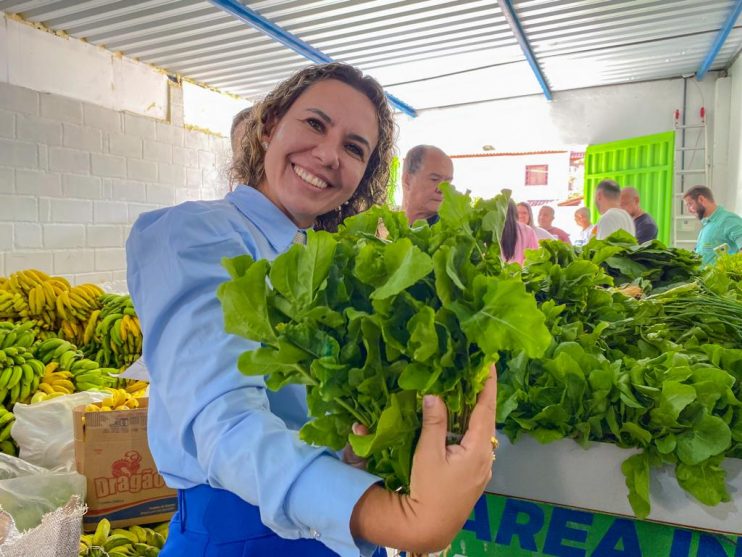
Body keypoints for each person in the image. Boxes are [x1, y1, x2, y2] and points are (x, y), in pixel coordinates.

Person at [126, 63, 498, 557]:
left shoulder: (322, 258)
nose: (328, 155)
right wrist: (406, 521)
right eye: (315, 124)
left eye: (353, 148)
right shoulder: (197, 234)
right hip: (240, 537)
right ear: (268, 127)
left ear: (365, 175)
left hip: (331, 526)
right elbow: (226, 425)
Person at [682, 185, 742, 264]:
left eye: (690, 204)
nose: (689, 210)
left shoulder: (728, 220)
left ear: (701, 199)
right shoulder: (707, 226)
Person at [401, 144, 454, 225]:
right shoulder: (384, 227)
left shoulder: (454, 231)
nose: (442, 189)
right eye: (434, 179)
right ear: (407, 180)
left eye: (448, 182)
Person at [501, 199, 539, 265]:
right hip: (520, 274)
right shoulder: (528, 231)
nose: (521, 215)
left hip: (496, 274)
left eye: (524, 213)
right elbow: (534, 258)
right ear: (515, 211)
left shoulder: (493, 231)